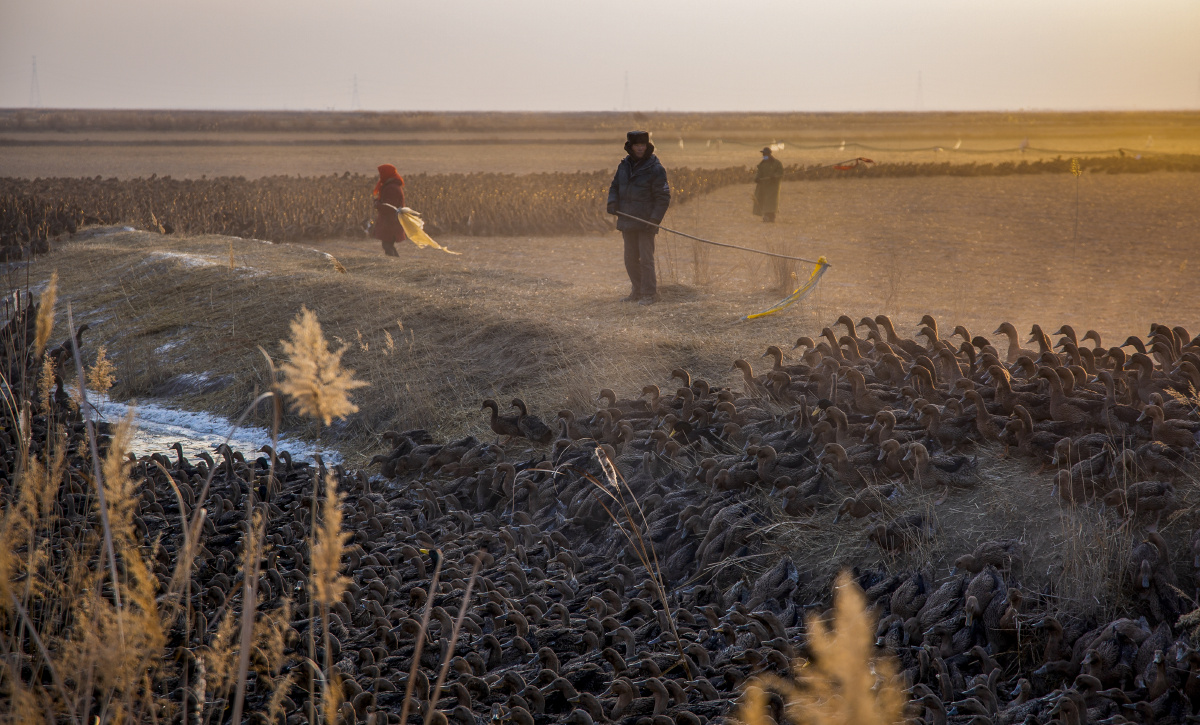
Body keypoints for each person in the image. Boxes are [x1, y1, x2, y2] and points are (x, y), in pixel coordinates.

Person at [607, 130, 671, 305]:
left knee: (646, 259)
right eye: (637, 145)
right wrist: (612, 203)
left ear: (647, 145)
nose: (640, 148)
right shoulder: (623, 166)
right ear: (631, 147)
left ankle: (650, 294)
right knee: (630, 259)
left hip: (646, 222)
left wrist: (655, 219)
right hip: (627, 220)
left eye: (643, 145)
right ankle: (637, 291)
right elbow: (615, 186)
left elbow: (663, 197)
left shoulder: (656, 168)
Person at [372, 163, 407, 256]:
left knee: (387, 245)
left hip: (391, 222)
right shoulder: (391, 186)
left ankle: (394, 262)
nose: (380, 176)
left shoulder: (392, 188)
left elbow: (389, 206)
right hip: (391, 221)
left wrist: (377, 204)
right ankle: (395, 262)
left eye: (381, 173)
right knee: (388, 244)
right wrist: (378, 202)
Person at [753, 146, 784, 223]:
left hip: (773, 187)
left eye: (765, 154)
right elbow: (759, 173)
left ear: (769, 154)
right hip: (763, 186)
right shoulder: (762, 164)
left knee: (771, 202)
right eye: (763, 154)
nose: (764, 156)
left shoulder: (777, 163)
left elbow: (780, 173)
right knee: (763, 201)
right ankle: (766, 216)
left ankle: (771, 217)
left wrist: (774, 176)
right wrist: (757, 178)